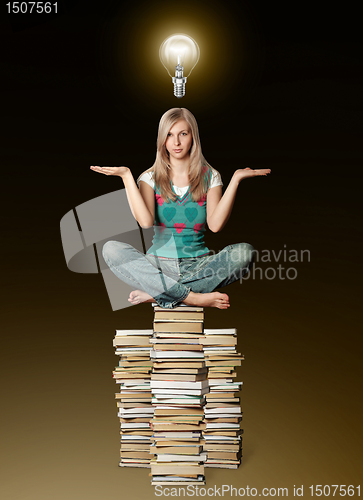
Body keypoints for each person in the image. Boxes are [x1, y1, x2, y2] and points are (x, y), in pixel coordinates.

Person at [90, 108, 270, 309]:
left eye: (183, 134)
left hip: (198, 266)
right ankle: (191, 297)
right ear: (162, 140)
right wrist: (126, 176)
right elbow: (145, 222)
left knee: (245, 252)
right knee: (112, 249)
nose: (176, 142)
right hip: (157, 266)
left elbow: (216, 225)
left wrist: (236, 179)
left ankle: (157, 294)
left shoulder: (211, 176)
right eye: (169, 135)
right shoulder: (149, 178)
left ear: (193, 137)